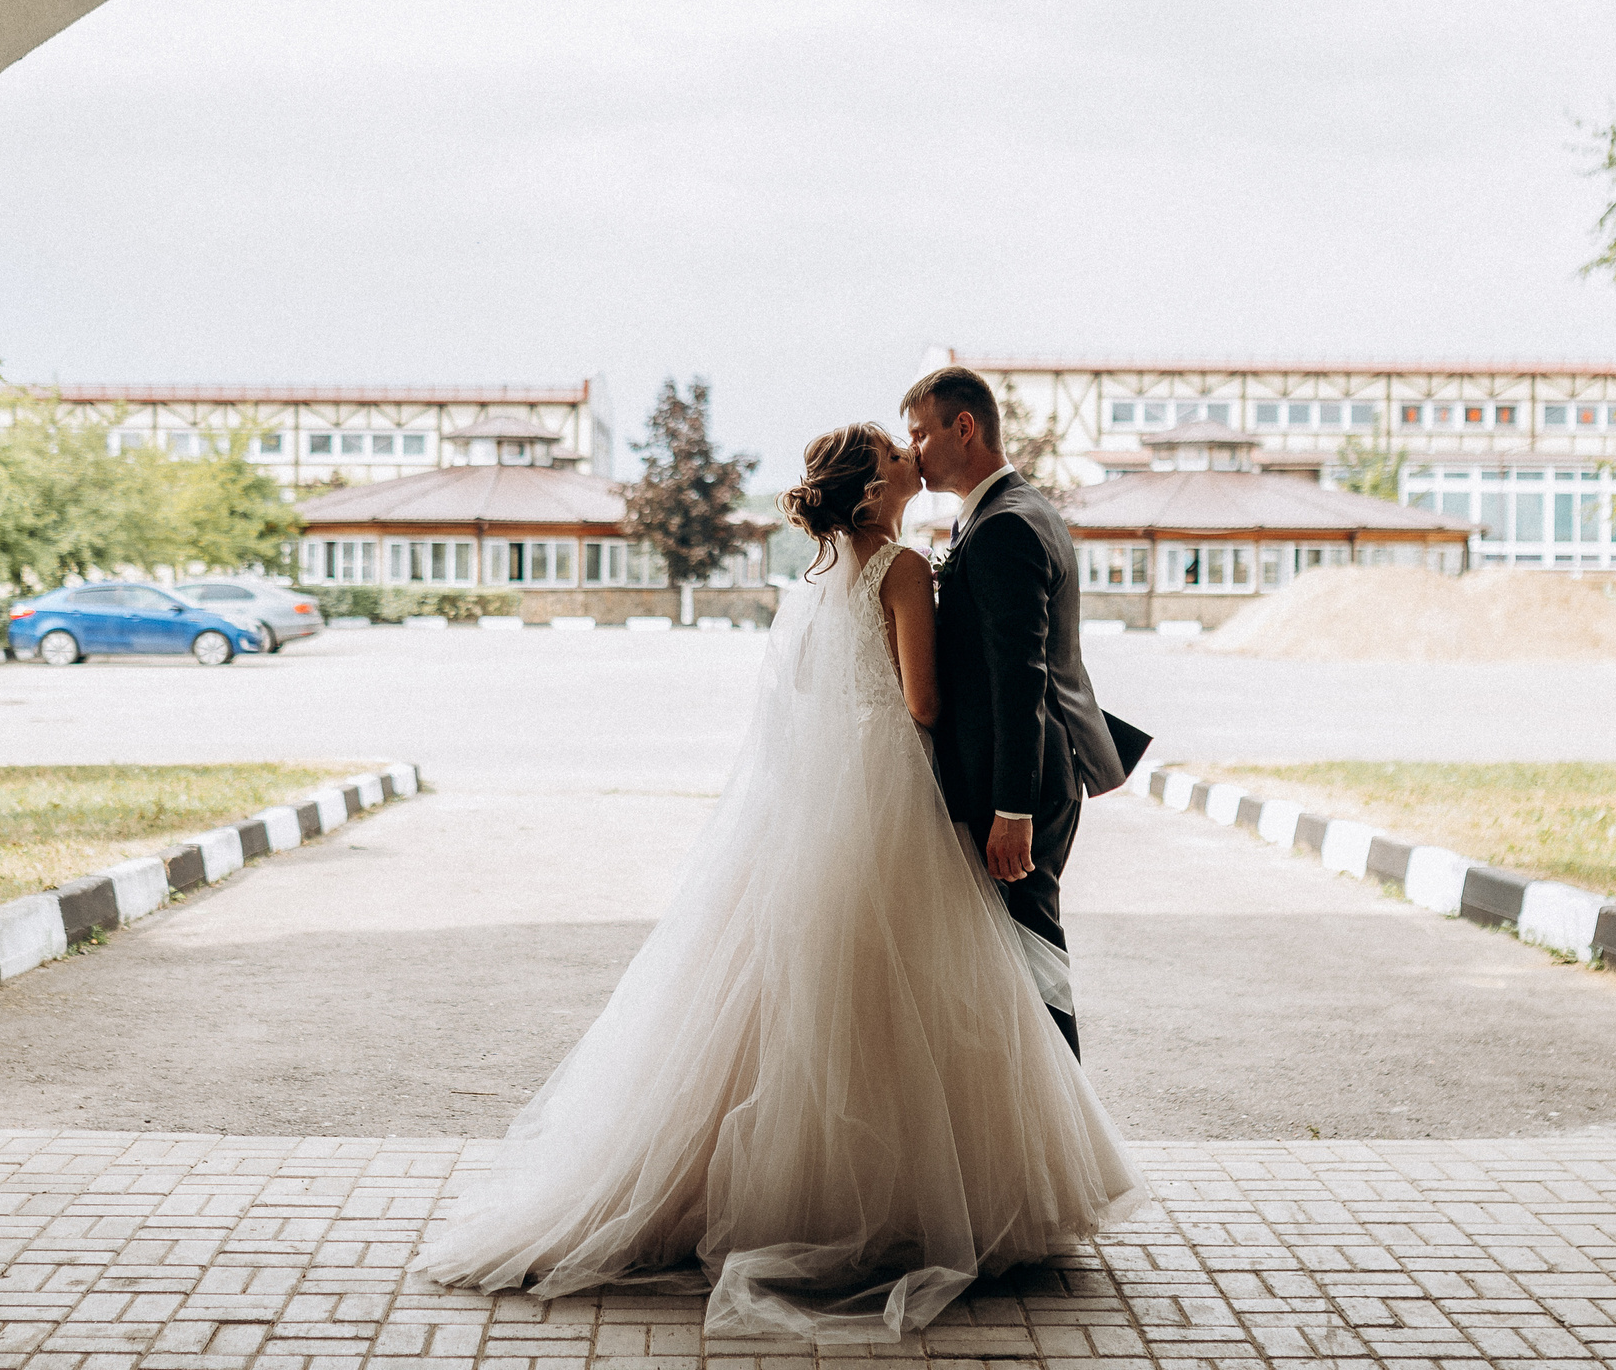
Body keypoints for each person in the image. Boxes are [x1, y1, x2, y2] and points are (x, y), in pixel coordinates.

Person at [414, 421, 1145, 1342]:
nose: (912, 459)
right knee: (911, 983)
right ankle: (904, 1202)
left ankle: (783, 1192)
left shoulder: (816, 575)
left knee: (805, 985)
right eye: (896, 454)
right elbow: (922, 701)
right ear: (873, 489)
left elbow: (804, 692)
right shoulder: (901, 567)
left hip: (822, 790)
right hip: (891, 786)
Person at [902, 366, 1148, 1058]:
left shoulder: (1005, 525)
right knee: (1015, 952)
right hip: (1030, 767)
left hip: (1024, 779)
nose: (913, 450)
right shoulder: (1006, 511)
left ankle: (1064, 1109)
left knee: (1034, 952)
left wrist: (1013, 808)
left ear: (964, 427)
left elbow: (1021, 677)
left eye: (919, 434)